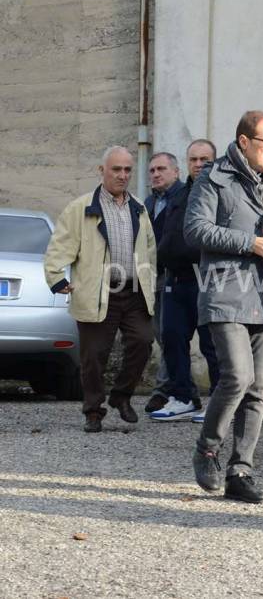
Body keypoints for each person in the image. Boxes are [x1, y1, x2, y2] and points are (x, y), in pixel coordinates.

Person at [185, 111, 263, 504]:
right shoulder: (213, 179)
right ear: (243, 142)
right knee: (237, 377)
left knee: (260, 387)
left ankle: (241, 470)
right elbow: (195, 229)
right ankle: (207, 449)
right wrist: (249, 242)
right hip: (225, 291)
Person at [43, 146, 157, 433]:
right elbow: (59, 246)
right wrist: (56, 278)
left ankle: (121, 396)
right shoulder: (80, 208)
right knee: (93, 356)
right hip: (98, 291)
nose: (122, 175)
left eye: (127, 170)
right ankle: (93, 410)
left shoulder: (139, 208)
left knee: (143, 342)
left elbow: (150, 251)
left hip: (133, 292)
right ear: (102, 171)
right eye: (116, 169)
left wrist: (150, 282)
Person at [149, 139, 221, 422]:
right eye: (194, 159)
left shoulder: (222, 193)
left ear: (214, 162)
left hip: (207, 281)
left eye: (204, 159)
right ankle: (182, 398)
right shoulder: (178, 196)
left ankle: (218, 400)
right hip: (175, 280)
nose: (199, 164)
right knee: (173, 339)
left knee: (211, 345)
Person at [143, 152, 185, 414]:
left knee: (172, 336)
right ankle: (176, 387)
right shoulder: (148, 202)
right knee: (161, 335)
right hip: (150, 275)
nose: (155, 174)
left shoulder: (183, 197)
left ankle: (166, 390)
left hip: (177, 275)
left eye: (161, 169)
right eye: (152, 170)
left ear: (175, 172)